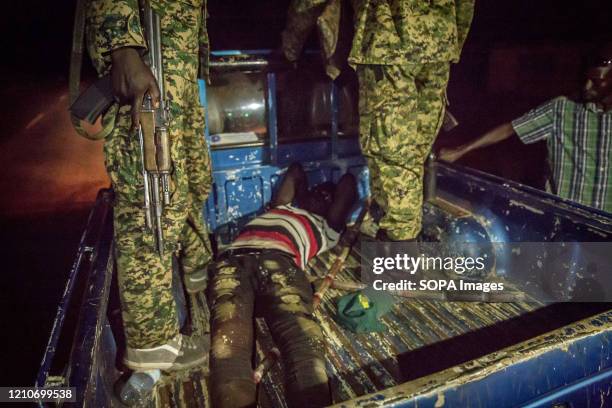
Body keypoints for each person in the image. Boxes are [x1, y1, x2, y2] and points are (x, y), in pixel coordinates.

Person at [86, 0, 213, 371]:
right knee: (150, 201)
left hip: (179, 65)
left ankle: (195, 268)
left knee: (193, 178)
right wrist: (122, 46)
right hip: (148, 59)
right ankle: (151, 341)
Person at [209, 163, 357, 408]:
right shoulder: (282, 207)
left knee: (302, 336)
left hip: (278, 262)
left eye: (327, 197)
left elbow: (349, 183)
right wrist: (305, 195)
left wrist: (322, 193)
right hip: (232, 261)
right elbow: (295, 172)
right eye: (319, 191)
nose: (321, 195)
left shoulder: (329, 227)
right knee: (228, 342)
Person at [350, 0, 475, 242]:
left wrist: (291, 44)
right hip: (438, 47)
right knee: (414, 155)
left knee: (392, 157)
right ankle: (395, 230)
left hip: (389, 45)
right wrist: (449, 43)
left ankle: (399, 261)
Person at [439, 44, 612, 213]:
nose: (587, 86)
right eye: (586, 79)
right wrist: (460, 151)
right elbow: (510, 128)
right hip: (565, 220)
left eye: (596, 82)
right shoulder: (562, 109)